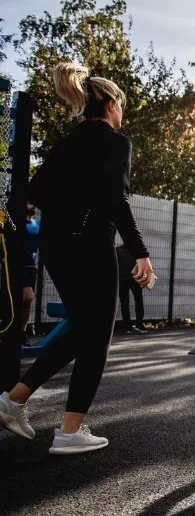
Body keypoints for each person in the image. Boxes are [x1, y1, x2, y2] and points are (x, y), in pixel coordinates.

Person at [0, 62, 153, 454]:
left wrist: (75, 203)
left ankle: (14, 399)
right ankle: (69, 430)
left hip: (56, 245)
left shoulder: (70, 141)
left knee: (82, 328)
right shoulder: (116, 142)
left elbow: (35, 190)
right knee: (96, 336)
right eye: (122, 106)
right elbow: (116, 200)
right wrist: (140, 252)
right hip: (90, 246)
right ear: (112, 105)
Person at [116, 243, 146, 334]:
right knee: (138, 300)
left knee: (124, 303)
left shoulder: (117, 250)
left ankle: (127, 327)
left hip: (122, 279)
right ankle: (139, 325)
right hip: (135, 278)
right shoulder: (136, 249)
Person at [21, 203, 39, 341]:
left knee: (27, 303)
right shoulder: (16, 224)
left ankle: (22, 332)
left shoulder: (36, 224)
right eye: (29, 203)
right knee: (28, 297)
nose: (33, 205)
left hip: (31, 267)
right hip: (18, 267)